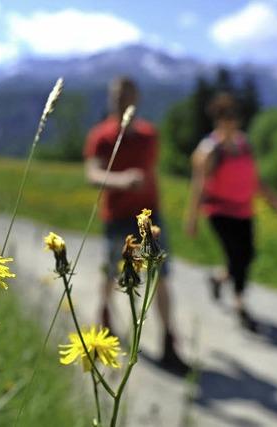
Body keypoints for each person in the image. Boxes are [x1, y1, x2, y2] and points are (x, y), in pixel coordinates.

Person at [84, 76, 189, 373]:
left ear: (137, 98)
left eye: (126, 95)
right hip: (115, 218)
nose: (121, 100)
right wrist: (121, 180)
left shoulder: (149, 135)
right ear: (110, 98)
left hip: (148, 218)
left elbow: (147, 170)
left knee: (160, 277)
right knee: (110, 272)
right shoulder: (100, 136)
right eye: (116, 95)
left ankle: (169, 342)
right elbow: (92, 174)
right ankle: (104, 321)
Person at [184, 92, 277, 332]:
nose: (232, 121)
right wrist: (192, 218)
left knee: (248, 255)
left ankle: (218, 279)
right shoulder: (210, 149)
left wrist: (275, 202)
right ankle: (240, 306)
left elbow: (255, 180)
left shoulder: (245, 144)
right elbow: (198, 185)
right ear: (218, 120)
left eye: (235, 116)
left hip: (244, 210)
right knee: (237, 257)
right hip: (219, 211)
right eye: (226, 117)